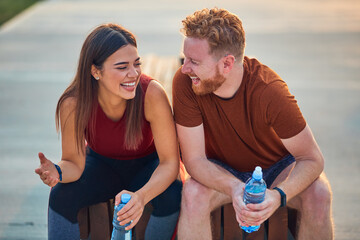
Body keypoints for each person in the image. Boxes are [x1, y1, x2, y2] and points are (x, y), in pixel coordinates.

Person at [172, 8, 333, 240]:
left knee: (319, 194)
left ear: (227, 63)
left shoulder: (270, 91)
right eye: (185, 58)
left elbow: (312, 159)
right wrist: (235, 188)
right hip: (221, 168)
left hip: (276, 169)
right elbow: (195, 160)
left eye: (194, 61)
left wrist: (278, 195)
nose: (185, 68)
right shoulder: (186, 82)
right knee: (193, 192)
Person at [35, 23, 182, 240]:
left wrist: (141, 197)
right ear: (96, 71)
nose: (133, 73)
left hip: (148, 166)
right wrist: (58, 171)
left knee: (172, 193)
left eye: (136, 63)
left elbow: (170, 163)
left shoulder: (152, 94)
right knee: (61, 194)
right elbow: (74, 164)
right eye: (122, 67)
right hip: (101, 164)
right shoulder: (73, 103)